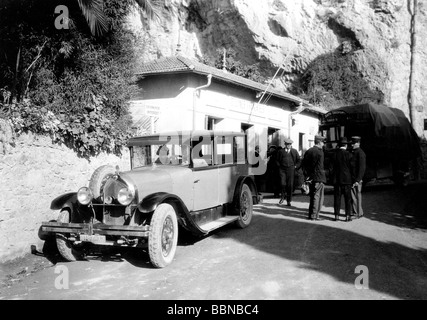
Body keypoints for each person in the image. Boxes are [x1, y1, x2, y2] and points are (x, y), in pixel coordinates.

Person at [302, 135, 326, 220]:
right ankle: (315, 215)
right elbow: (320, 166)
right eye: (323, 142)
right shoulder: (320, 152)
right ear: (319, 142)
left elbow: (304, 165)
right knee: (318, 197)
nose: (323, 144)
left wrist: (307, 176)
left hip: (310, 178)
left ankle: (311, 214)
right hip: (318, 177)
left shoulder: (309, 151)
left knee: (312, 196)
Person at [331, 137, 353, 222]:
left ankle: (336, 216)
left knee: (337, 198)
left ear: (339, 145)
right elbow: (352, 168)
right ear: (346, 145)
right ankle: (347, 216)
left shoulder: (334, 154)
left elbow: (331, 168)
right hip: (347, 180)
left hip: (337, 181)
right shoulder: (349, 155)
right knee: (348, 199)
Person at [276, 138, 301, 206]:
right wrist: (279, 167)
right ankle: (282, 197)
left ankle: (288, 200)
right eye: (287, 144)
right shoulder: (281, 151)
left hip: (291, 169)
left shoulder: (294, 151)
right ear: (285, 144)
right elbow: (277, 160)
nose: (288, 145)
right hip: (282, 169)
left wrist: (295, 167)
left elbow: (299, 161)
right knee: (282, 184)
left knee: (290, 185)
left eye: (290, 144)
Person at [350, 136, 366, 218]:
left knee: (356, 196)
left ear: (358, 143)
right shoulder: (354, 152)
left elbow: (362, 168)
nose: (352, 144)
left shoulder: (360, 153)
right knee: (354, 196)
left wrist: (358, 180)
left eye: (354, 143)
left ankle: (357, 213)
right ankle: (358, 212)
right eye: (352, 143)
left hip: (356, 179)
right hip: (354, 178)